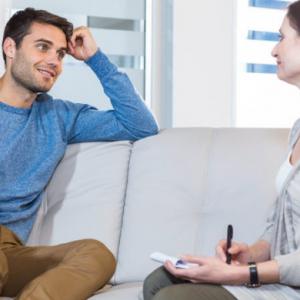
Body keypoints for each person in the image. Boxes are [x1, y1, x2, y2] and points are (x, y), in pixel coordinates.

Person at [143, 1, 300, 300]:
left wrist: (242, 273)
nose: (273, 50)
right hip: (281, 280)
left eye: (282, 37)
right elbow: (282, 225)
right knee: (160, 280)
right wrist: (250, 254)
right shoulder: (298, 129)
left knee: (171, 297)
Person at [0, 7, 158, 300]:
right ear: (10, 47)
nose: (53, 61)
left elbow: (141, 125)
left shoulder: (59, 117)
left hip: (10, 252)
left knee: (96, 256)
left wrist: (96, 60)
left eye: (60, 54)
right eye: (43, 47)